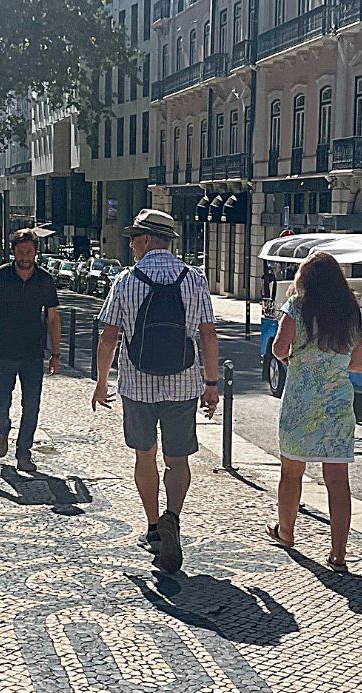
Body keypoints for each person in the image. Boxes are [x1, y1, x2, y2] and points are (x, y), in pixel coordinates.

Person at [92, 208, 219, 574]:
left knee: (144, 457)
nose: (130, 244)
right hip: (183, 385)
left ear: (147, 240)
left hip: (137, 386)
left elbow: (108, 338)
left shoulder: (126, 281)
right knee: (177, 461)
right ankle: (173, 519)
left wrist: (102, 382)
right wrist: (211, 384)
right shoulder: (194, 279)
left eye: (134, 238)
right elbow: (208, 335)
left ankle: (152, 527)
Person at [267, 251, 362, 572]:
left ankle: (286, 533)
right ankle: (338, 553)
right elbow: (360, 363)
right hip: (337, 405)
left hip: (300, 401)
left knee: (291, 472)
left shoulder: (297, 307)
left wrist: (298, 360)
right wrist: (333, 365)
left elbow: (279, 349)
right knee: (337, 480)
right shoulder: (354, 313)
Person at [0, 228, 61, 473]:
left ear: (36, 253)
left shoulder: (44, 280)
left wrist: (55, 353)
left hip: (33, 353)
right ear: (13, 252)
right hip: (4, 352)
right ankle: (3, 428)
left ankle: (24, 452)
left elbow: (53, 318)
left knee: (31, 404)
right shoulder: (0, 277)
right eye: (20, 252)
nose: (25, 257)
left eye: (29, 252)